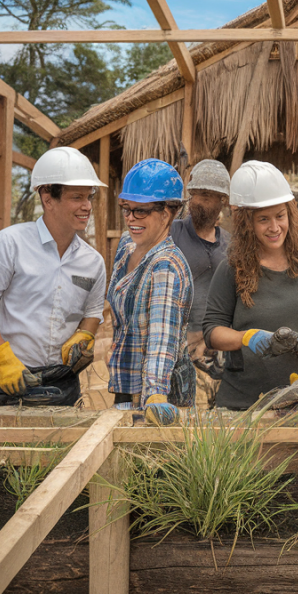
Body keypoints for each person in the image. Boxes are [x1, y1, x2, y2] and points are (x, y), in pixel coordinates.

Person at [0, 146, 107, 405]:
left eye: (89, 197)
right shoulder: (11, 243)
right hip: (8, 379)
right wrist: (3, 358)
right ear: (48, 199)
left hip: (63, 383)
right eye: (77, 197)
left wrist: (86, 334)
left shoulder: (93, 262)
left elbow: (93, 312)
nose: (87, 206)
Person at [203, 161, 298, 410]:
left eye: (280, 216)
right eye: (263, 219)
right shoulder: (231, 268)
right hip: (241, 402)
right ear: (246, 224)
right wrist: (246, 337)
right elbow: (212, 332)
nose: (275, 227)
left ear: (291, 214)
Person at [107, 159, 194, 423]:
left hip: (158, 395)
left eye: (141, 211)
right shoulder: (127, 247)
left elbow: (162, 336)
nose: (131, 218)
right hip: (126, 383)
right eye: (127, 209)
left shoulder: (165, 265)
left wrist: (155, 394)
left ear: (166, 214)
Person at [169, 159, 230, 407]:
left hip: (218, 352)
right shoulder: (171, 234)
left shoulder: (230, 245)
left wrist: (213, 338)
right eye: (194, 194)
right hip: (178, 351)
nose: (196, 201)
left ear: (222, 200)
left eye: (205, 195)